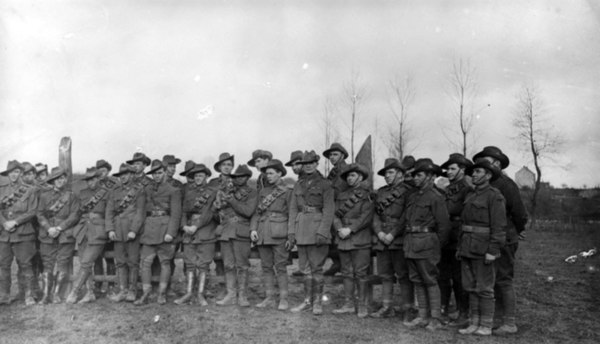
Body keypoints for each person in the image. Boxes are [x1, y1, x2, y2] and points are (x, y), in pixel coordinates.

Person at [472, 146, 528, 335]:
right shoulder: (481, 185)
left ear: (497, 163)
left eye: (488, 161)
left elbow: (520, 213)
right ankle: (495, 316)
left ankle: (509, 322)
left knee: (504, 279)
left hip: (505, 238)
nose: (483, 165)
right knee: (491, 279)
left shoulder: (506, 184)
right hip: (488, 239)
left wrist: (516, 231)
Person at [457, 160, 506, 336]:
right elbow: (464, 223)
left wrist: (493, 250)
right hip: (467, 246)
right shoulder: (470, 195)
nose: (474, 175)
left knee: (484, 288)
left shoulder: (495, 196)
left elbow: (499, 227)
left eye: (478, 171)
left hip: (483, 248)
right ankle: (474, 322)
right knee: (470, 286)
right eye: (473, 172)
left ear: (489, 175)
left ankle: (485, 325)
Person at [403, 158, 451, 330]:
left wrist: (435, 245)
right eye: (414, 175)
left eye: (419, 175)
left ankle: (435, 318)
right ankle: (423, 315)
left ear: (430, 176)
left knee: (430, 280)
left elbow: (444, 226)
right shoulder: (413, 196)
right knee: (417, 280)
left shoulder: (436, 197)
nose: (415, 178)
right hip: (411, 243)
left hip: (427, 244)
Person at [288, 151, 334, 315]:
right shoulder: (298, 184)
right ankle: (307, 301)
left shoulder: (325, 184)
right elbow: (293, 209)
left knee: (317, 268)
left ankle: (317, 303)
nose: (308, 166)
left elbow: (329, 210)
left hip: (317, 229)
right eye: (305, 163)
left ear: (316, 164)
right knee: (305, 269)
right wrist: (291, 233)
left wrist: (323, 232)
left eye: (311, 163)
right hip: (301, 229)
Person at [370, 158, 413, 321]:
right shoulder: (381, 192)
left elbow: (406, 216)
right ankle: (387, 307)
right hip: (382, 239)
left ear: (400, 174)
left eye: (390, 172)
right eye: (385, 173)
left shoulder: (408, 192)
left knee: (403, 275)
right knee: (385, 275)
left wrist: (393, 234)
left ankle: (407, 308)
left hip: (399, 238)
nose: (387, 176)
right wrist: (379, 232)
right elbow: (374, 215)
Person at [134, 160, 182, 305]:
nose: (157, 176)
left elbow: (176, 215)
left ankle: (162, 293)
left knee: (165, 263)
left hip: (164, 231)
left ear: (165, 173)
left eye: (160, 173)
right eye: (154, 173)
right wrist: (135, 230)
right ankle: (146, 293)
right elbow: (141, 212)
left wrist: (171, 233)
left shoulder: (174, 191)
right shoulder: (146, 190)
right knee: (146, 263)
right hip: (149, 231)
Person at [331, 163, 374, 318]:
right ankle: (348, 304)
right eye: (348, 176)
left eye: (353, 175)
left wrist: (350, 229)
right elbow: (335, 215)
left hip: (360, 238)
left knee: (361, 273)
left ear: (360, 177)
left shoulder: (366, 195)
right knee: (347, 272)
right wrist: (339, 228)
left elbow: (366, 216)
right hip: (343, 237)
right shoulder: (341, 195)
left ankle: (362, 305)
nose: (350, 178)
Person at [250, 159, 292, 310]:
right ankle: (269, 298)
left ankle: (284, 299)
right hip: (262, 232)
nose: (268, 176)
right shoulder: (263, 192)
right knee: (266, 267)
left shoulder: (287, 191)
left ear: (280, 173)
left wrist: (290, 236)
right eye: (266, 173)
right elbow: (256, 212)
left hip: (279, 233)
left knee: (280, 267)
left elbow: (291, 215)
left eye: (271, 173)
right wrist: (253, 229)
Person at [214, 164, 258, 307]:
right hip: (226, 231)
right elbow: (218, 210)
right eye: (236, 177)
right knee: (228, 265)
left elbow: (248, 211)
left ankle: (242, 296)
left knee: (242, 266)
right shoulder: (227, 190)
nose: (239, 179)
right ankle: (231, 295)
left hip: (241, 231)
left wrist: (231, 200)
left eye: (242, 176)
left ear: (247, 177)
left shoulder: (252, 192)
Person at [174, 163, 217, 306]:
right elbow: (183, 212)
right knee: (190, 263)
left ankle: (200, 294)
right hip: (189, 232)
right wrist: (184, 226)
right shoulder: (189, 193)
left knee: (203, 264)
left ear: (206, 177)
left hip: (205, 231)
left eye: (201, 175)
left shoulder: (212, 192)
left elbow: (208, 213)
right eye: (196, 176)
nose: (198, 178)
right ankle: (188, 294)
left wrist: (196, 226)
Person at [36, 167, 80, 304]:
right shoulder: (44, 196)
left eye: (62, 178)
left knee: (62, 264)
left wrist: (60, 228)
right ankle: (45, 295)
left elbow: (75, 215)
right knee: (47, 264)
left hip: (65, 235)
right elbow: (40, 214)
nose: (60, 181)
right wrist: (49, 228)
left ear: (65, 180)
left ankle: (56, 294)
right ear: (53, 181)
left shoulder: (72, 196)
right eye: (57, 179)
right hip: (47, 234)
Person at [66, 167, 110, 304]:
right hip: (82, 230)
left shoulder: (107, 193)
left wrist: (109, 230)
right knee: (84, 262)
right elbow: (76, 213)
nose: (91, 182)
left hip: (98, 230)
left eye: (93, 179)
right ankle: (90, 293)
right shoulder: (82, 193)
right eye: (88, 180)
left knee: (86, 262)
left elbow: (110, 214)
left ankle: (75, 291)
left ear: (98, 178)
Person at [439, 153, 474, 326]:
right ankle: (444, 309)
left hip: (459, 236)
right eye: (448, 169)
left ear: (463, 169)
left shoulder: (468, 189)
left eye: (453, 168)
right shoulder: (447, 188)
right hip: (445, 235)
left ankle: (463, 313)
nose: (449, 172)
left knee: (459, 277)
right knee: (443, 275)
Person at [106, 163, 146, 302]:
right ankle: (122, 290)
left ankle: (132, 291)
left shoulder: (139, 190)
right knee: (120, 262)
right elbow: (109, 212)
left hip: (131, 231)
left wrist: (134, 230)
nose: (123, 177)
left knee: (133, 262)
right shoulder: (114, 191)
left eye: (126, 174)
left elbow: (140, 213)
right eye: (121, 175)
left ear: (132, 175)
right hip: (117, 231)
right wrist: (110, 229)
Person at [0, 161, 38, 305]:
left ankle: (29, 295)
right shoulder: (1, 190)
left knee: (25, 265)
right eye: (11, 172)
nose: (14, 175)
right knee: (3, 266)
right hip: (5, 235)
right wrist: (4, 223)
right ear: (7, 174)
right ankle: (4, 296)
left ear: (21, 173)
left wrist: (15, 222)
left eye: (17, 172)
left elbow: (33, 211)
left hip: (23, 233)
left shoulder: (30, 190)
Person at [322, 143, 349, 277]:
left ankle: (341, 264)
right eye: (330, 155)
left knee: (337, 237)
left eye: (335, 154)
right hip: (332, 206)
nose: (332, 157)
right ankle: (338, 263)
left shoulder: (344, 170)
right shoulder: (334, 171)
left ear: (342, 155)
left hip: (341, 207)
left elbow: (336, 190)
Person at [94, 159, 118, 294]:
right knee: (96, 256)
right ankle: (97, 284)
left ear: (108, 171)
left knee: (109, 256)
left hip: (108, 222)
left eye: (104, 171)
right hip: (97, 225)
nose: (102, 173)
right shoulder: (94, 185)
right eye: (99, 171)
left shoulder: (114, 183)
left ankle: (111, 284)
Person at [285, 150, 307, 277]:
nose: (294, 167)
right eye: (292, 165)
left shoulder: (309, 178)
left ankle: (305, 267)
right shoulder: (299, 180)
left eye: (297, 164)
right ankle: (303, 266)